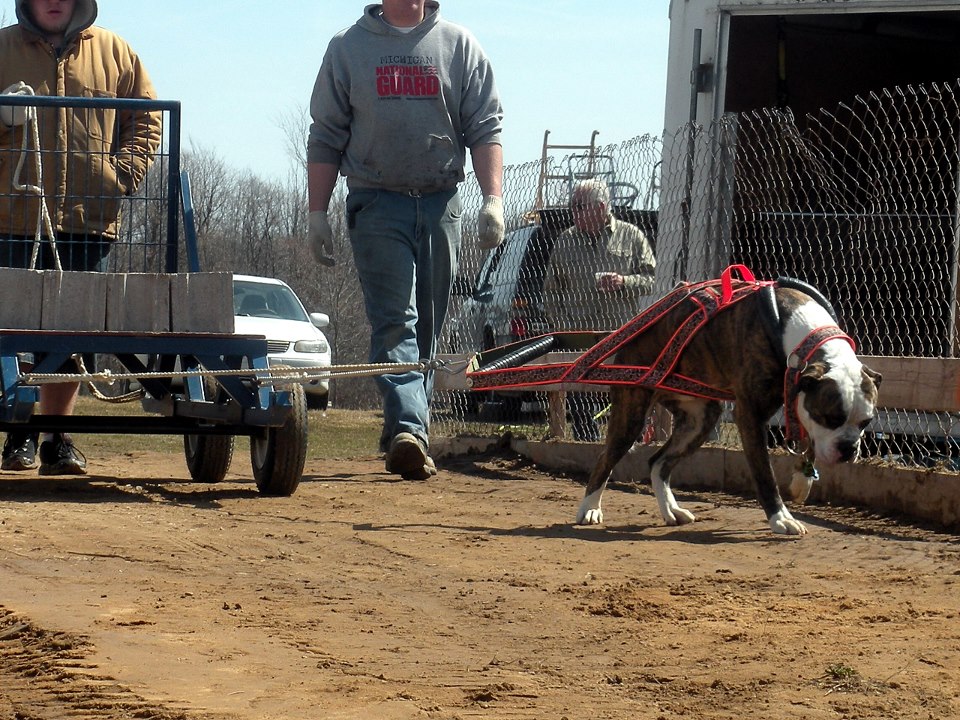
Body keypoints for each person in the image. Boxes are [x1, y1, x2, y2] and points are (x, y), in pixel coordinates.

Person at [307, 0, 504, 480]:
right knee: (397, 322)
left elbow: (485, 126)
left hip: (441, 202)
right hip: (377, 202)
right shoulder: (348, 48)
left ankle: (403, 425)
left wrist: (493, 198)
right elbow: (326, 135)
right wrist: (317, 211)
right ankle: (411, 432)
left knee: (431, 327)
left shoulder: (458, 46)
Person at [0, 0, 162, 474]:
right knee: (14, 334)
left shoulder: (117, 51)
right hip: (9, 217)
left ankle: (57, 438)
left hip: (89, 221)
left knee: (70, 337)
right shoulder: (2, 47)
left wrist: (120, 174)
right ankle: (19, 434)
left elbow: (146, 119)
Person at [543, 178, 656, 441]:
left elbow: (652, 279)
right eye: (572, 206)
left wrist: (624, 282)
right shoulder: (565, 241)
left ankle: (629, 445)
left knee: (625, 393)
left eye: (580, 206)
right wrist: (563, 327)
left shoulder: (631, 236)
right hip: (579, 336)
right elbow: (551, 291)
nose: (574, 212)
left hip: (620, 335)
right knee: (580, 394)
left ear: (601, 207)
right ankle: (587, 444)